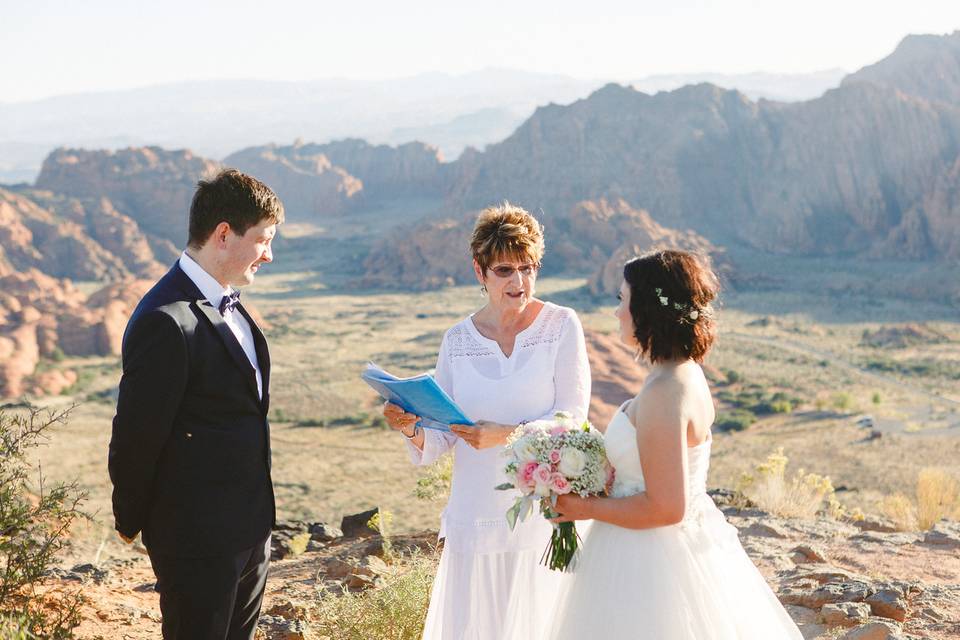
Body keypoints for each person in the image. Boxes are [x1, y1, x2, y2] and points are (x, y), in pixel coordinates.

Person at [548, 250, 803, 639]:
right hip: (656, 547)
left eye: (623, 300)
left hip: (647, 562)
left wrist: (583, 507)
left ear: (647, 309)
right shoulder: (682, 374)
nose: (617, 312)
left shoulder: (666, 391)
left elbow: (666, 507)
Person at [383, 202, 591, 639]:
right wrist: (410, 426)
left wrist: (508, 435)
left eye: (527, 267)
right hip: (474, 519)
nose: (519, 282)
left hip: (541, 518)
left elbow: (572, 420)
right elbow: (443, 435)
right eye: (504, 270)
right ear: (479, 272)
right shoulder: (457, 341)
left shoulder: (561, 325)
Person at [108, 169, 283, 640]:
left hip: (250, 531)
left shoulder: (230, 301)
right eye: (264, 240)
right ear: (224, 234)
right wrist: (130, 518)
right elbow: (136, 434)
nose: (270, 254)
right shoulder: (164, 321)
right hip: (196, 539)